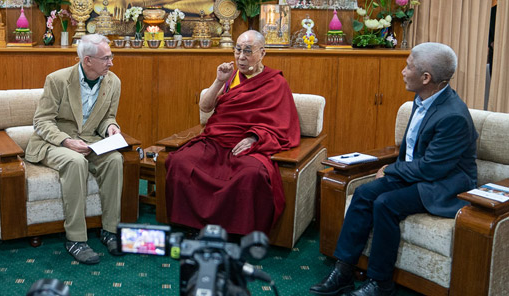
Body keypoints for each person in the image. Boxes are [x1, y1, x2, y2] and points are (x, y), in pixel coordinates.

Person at [310, 42, 478, 296]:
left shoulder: (452, 115)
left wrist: (391, 171)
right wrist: (395, 167)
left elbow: (432, 168)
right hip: (416, 173)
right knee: (365, 194)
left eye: (408, 66)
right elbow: (412, 150)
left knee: (386, 203)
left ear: (426, 77)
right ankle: (344, 270)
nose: (402, 71)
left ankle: (380, 282)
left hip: (443, 184)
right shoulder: (423, 98)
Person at [165, 30, 300, 235]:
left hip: (248, 145)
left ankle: (235, 233)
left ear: (262, 53)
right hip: (217, 140)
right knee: (181, 162)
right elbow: (205, 107)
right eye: (238, 50)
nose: (241, 57)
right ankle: (192, 225)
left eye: (248, 51)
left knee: (251, 174)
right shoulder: (231, 77)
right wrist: (219, 80)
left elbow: (282, 123)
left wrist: (254, 137)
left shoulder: (275, 82)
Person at [24, 34, 124, 264]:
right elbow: (42, 121)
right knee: (75, 162)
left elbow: (108, 116)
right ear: (87, 60)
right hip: (54, 142)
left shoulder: (113, 82)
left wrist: (111, 128)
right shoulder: (57, 80)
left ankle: (110, 230)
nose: (111, 62)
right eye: (106, 58)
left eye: (111, 57)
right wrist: (66, 141)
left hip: (90, 140)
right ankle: (76, 239)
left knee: (115, 160)